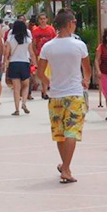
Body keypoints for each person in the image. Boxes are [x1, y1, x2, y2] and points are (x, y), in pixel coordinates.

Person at [37, 10, 90, 184]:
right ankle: (66, 168)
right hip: (74, 94)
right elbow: (87, 68)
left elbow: (40, 72)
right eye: (74, 21)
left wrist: (48, 83)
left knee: (60, 133)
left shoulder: (48, 47)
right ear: (68, 24)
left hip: (56, 95)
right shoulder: (79, 45)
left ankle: (65, 165)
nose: (75, 24)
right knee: (72, 131)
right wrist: (86, 80)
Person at [4, 19, 34, 115]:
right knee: (25, 86)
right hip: (25, 63)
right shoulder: (28, 40)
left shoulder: (10, 39)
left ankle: (17, 109)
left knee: (16, 88)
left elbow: (6, 53)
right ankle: (24, 103)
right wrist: (35, 64)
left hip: (14, 64)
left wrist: (5, 63)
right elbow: (31, 54)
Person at [32, 14, 57, 99]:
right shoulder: (36, 30)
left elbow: (55, 40)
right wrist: (35, 53)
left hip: (51, 54)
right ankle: (44, 91)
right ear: (39, 20)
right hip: (40, 54)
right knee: (43, 72)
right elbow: (34, 43)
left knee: (49, 73)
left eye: (44, 18)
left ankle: (45, 90)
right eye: (41, 19)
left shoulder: (51, 29)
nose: (42, 20)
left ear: (47, 19)